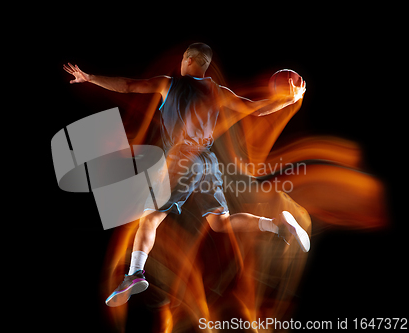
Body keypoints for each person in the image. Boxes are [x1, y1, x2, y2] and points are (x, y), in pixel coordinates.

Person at [63, 43, 309, 307]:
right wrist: (287, 100)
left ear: (189, 59)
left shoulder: (169, 84)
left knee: (149, 219)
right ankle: (276, 224)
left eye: (182, 58)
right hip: (207, 162)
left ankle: (134, 273)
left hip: (182, 160)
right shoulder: (219, 92)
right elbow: (257, 109)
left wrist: (90, 79)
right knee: (220, 223)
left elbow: (127, 85)